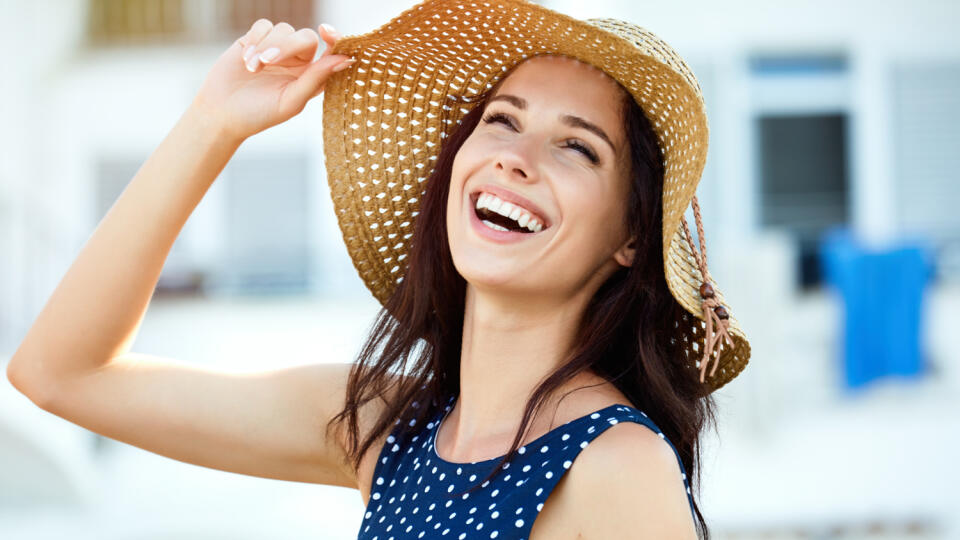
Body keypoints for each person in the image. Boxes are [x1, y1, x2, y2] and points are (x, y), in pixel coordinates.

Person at [7, 0, 751, 538]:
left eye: (577, 147)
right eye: (503, 119)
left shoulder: (613, 464)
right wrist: (213, 123)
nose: (515, 159)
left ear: (629, 236)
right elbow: (58, 373)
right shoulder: (386, 429)